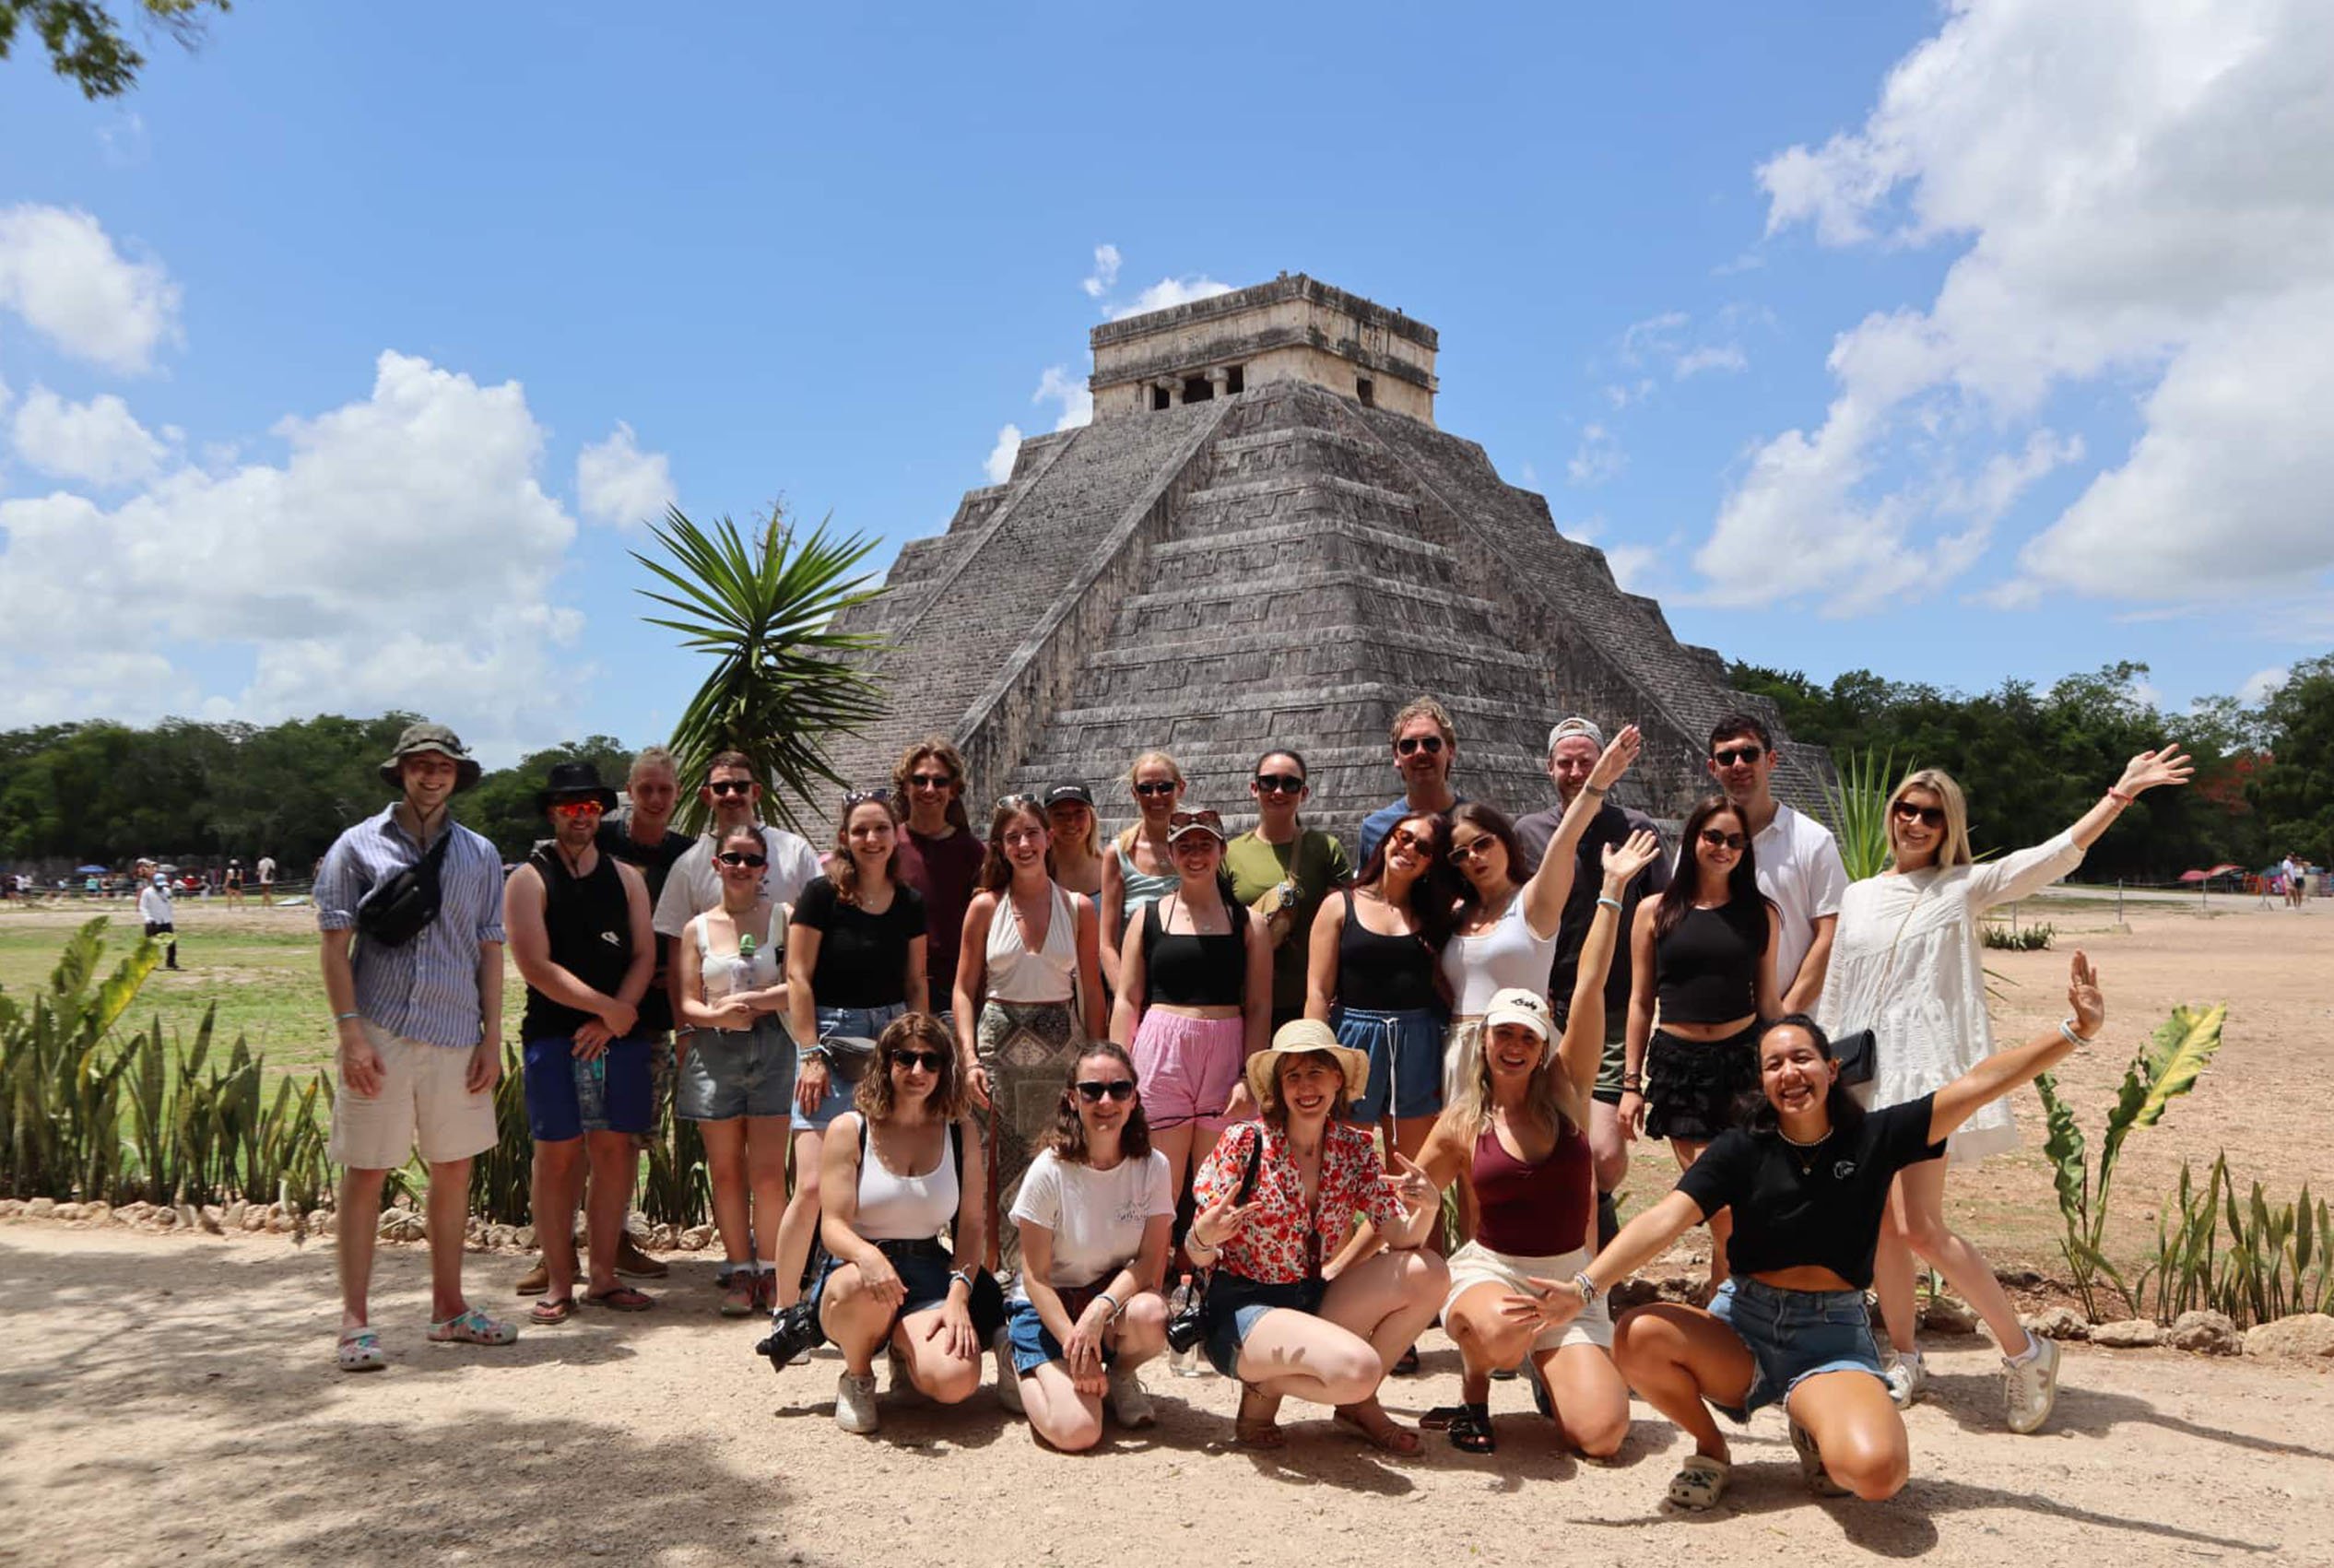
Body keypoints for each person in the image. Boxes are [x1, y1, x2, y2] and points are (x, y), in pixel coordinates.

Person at [1541, 954, 2110, 1510]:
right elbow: (1665, 1219)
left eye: (1802, 1058)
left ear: (1831, 1068)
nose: (1789, 1073)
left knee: (1876, 1476)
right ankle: (1712, 1450)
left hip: (1830, 1337)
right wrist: (1584, 1289)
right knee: (1639, 1334)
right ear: (1762, 1081)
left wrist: (2074, 1032)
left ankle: (1814, 1423)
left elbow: (1978, 1084)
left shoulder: (1877, 1136)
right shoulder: (1742, 1148)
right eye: (1773, 1065)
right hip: (1745, 1327)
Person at [1821, 749, 2191, 1421]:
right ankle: (1902, 1355)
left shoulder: (1963, 885)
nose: (1914, 820)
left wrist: (2120, 795)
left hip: (1924, 1072)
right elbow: (1839, 987)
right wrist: (1819, 1067)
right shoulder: (1858, 894)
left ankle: (2025, 1351)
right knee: (1879, 1226)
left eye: (1931, 813)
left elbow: (2049, 857)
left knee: (1922, 1227)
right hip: (1861, 1076)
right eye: (1906, 807)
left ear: (1948, 824)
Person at [1411, 831, 1661, 1456]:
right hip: (1494, 1275)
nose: (1517, 1045)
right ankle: (1476, 1391)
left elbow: (1592, 984)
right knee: (1496, 1330)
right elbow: (1405, 1198)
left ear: (1543, 1041)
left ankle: (1546, 1365)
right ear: (1487, 1041)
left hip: (1571, 1284)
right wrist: (1343, 1264)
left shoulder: (1569, 1094)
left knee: (1602, 1437)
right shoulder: (1463, 1118)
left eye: (1529, 1034)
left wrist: (1610, 891)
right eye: (1505, 1035)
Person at [312, 722, 517, 1370]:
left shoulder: (480, 853)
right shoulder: (357, 846)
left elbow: (490, 948)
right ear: (401, 771)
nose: (432, 776)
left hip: (457, 1029)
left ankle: (449, 1306)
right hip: (382, 1024)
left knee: (454, 1167)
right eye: (421, 765)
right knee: (366, 1170)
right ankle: (354, 1320)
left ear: (457, 776)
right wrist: (350, 1031)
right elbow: (333, 943)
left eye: (444, 767)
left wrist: (493, 1034)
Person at [1187, 1020, 1448, 1452]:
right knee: (1358, 1370)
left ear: (1338, 1080)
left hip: (1310, 1297)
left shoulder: (1354, 1148)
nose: (1305, 1088)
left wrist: (1429, 1208)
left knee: (1431, 1271)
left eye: (1315, 1073)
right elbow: (1196, 1253)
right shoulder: (1245, 1141)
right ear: (1278, 1087)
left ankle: (1351, 1407)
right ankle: (1264, 1389)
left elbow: (1402, 1238)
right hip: (1243, 1308)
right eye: (1292, 1076)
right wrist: (1204, 1235)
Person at [516, 746, 689, 1295]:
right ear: (553, 813)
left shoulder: (627, 879)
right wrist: (604, 1009)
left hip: (623, 1034)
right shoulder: (529, 879)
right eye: (568, 806)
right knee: (558, 1153)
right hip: (555, 1033)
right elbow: (535, 965)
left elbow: (644, 954)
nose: (580, 814)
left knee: (616, 1150)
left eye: (588, 805)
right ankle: (559, 1280)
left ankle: (605, 1276)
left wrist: (616, 1018)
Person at [1440, 725, 1641, 1159]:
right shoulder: (1457, 914)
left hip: (1521, 1043)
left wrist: (1596, 784)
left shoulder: (1533, 903)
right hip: (1462, 1051)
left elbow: (1565, 841)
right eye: (1460, 853)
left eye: (1482, 844)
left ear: (1505, 842)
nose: (1473, 857)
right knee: (1471, 1176)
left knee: (1548, 1160)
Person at [1515, 715, 1672, 1248]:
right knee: (1550, 1139)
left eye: (1588, 761)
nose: (1577, 771)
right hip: (1544, 1007)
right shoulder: (1530, 833)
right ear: (1549, 767)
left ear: (1608, 764)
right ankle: (1575, 1263)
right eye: (1567, 762)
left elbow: (1660, 915)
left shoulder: (1638, 829)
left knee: (1602, 1154)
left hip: (1611, 1008)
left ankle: (1599, 1250)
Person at [778, 790, 930, 1311]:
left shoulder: (909, 902)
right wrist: (809, 1053)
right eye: (861, 830)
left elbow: (915, 980)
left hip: (891, 1041)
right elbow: (797, 976)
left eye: (881, 829)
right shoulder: (822, 896)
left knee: (872, 1185)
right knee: (815, 1185)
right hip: (830, 1037)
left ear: (896, 836)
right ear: (844, 838)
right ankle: (785, 1307)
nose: (872, 839)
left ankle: (859, 1299)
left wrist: (920, 1049)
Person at [1622, 794, 1780, 1295]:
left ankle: (1722, 1298)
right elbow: (1640, 1001)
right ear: (1693, 840)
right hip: (1679, 1069)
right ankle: (1731, 1300)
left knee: (1741, 1197)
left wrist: (1790, 1063)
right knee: (1717, 1199)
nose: (1724, 848)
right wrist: (1631, 1084)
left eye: (1735, 840)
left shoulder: (1761, 913)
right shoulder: (1655, 911)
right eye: (1714, 836)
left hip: (1744, 1065)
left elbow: (1770, 1001)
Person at [813, 1013, 990, 1435]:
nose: (918, 1071)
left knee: (955, 1383)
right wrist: (866, 1256)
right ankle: (857, 1377)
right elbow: (832, 1226)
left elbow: (971, 1228)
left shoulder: (960, 1132)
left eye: (931, 1062)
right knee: (863, 1288)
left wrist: (958, 1296)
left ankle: (904, 1353)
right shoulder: (850, 1129)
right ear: (885, 1062)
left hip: (929, 1267)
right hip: (858, 1272)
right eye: (905, 1058)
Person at [952, 796, 1108, 1269]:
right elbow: (962, 990)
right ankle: (988, 1274)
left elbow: (1093, 991)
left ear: (1049, 837)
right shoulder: (984, 907)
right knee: (990, 1163)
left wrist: (1098, 1060)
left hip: (1062, 1054)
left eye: (1031, 834)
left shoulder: (1078, 907)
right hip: (996, 1054)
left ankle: (1044, 1270)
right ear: (999, 846)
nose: (1024, 844)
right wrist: (970, 1060)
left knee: (1056, 1159)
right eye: (1012, 837)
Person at [1001, 1042, 1174, 1447]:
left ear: (1134, 1098)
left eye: (1119, 1089)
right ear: (1072, 1098)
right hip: (1049, 1306)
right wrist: (1075, 1345)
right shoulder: (1049, 1170)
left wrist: (1101, 1309)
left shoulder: (1153, 1167)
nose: (1106, 1101)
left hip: (1107, 1301)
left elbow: (1150, 1260)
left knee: (1151, 1313)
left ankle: (1119, 1373)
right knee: (1078, 1432)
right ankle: (1018, 1361)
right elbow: (1035, 1276)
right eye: (1092, 1090)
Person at [1110, 806, 1272, 1206]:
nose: (1195, 854)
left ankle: (1207, 1267)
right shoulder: (1146, 918)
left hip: (1225, 1053)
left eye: (1205, 844)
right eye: (1185, 846)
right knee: (1156, 1186)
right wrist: (1119, 1073)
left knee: (1221, 1186)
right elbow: (1128, 1000)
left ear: (1221, 851)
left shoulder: (1250, 924)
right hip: (1162, 1054)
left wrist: (1248, 1077)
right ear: (1170, 853)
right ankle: (1154, 1266)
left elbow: (1258, 1005)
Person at [673, 822, 798, 1315]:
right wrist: (716, 1015)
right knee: (725, 1172)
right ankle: (738, 1269)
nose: (741, 868)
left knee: (768, 1173)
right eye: (733, 858)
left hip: (771, 1046)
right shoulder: (697, 928)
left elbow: (799, 987)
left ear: (765, 868)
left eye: (751, 860)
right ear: (716, 864)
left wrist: (754, 1001)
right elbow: (687, 1000)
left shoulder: (783, 918)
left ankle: (771, 1270)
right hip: (715, 1048)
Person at [1305, 808, 1457, 1161]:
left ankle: (1407, 1221)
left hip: (1418, 1040)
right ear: (1387, 840)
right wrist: (1314, 1055)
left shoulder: (1434, 917)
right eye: (1404, 838)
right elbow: (1317, 991)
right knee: (1343, 1165)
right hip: (1353, 1038)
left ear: (1431, 863)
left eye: (1423, 848)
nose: (1409, 851)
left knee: (1410, 1168)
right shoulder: (1339, 905)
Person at [1704, 713, 1847, 1015]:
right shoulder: (1701, 846)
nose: (1739, 764)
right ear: (1712, 768)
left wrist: (1785, 1014)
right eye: (1727, 757)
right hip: (1719, 1022)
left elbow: (1831, 934)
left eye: (1749, 753)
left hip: (1797, 1023)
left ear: (1770, 760)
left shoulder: (1812, 840)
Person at [1225, 748, 1351, 1032]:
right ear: (1254, 788)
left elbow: (1344, 926)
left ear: (1304, 793)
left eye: (1290, 784)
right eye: (1269, 782)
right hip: (1245, 997)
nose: (1279, 791)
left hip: (1308, 1000)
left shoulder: (1325, 849)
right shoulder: (1230, 854)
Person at [893, 737, 986, 1031]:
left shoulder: (973, 853)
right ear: (906, 786)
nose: (929, 790)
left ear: (954, 789)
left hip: (954, 991)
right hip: (896, 989)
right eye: (919, 780)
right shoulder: (886, 845)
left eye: (939, 781)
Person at [1356, 696, 1467, 867]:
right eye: (1408, 746)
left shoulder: (1477, 826)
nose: (1420, 752)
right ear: (1396, 757)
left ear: (1450, 751)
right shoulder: (1375, 829)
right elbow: (1368, 892)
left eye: (1431, 743)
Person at [1101, 750, 1185, 959]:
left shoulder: (1199, 848)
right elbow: (1107, 944)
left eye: (1164, 787)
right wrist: (1123, 990)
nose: (1155, 796)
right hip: (1139, 980)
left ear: (1180, 788)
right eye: (1145, 788)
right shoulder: (1119, 854)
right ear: (1134, 794)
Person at [1043, 783, 1106, 908]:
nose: (1071, 821)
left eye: (1079, 812)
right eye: (1059, 814)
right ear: (1047, 820)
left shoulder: (1112, 868)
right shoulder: (1037, 871)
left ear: (1091, 816)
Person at [138, 864, 179, 971]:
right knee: (151, 945)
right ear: (154, 882)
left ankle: (171, 962)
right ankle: (150, 963)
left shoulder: (167, 891)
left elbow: (169, 905)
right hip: (152, 922)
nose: (161, 886)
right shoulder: (147, 892)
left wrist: (169, 917)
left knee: (172, 943)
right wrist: (148, 918)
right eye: (159, 884)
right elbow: (143, 907)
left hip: (166, 921)